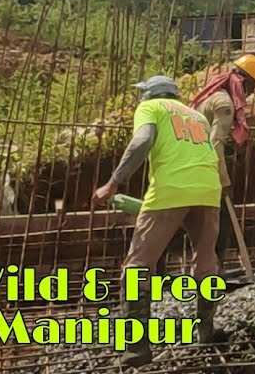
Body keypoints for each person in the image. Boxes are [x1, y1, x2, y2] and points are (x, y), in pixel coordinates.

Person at [92, 75, 223, 367]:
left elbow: (141, 141)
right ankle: (206, 331)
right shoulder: (197, 115)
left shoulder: (151, 108)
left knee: (137, 267)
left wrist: (113, 184)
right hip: (209, 189)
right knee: (206, 263)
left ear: (148, 94)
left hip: (170, 190)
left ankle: (137, 349)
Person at [191, 53, 255, 269]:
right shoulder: (225, 104)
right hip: (202, 170)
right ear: (245, 83)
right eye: (251, 89)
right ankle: (215, 268)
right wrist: (223, 183)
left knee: (175, 221)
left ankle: (157, 274)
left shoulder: (211, 96)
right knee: (220, 220)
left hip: (187, 166)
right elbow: (214, 145)